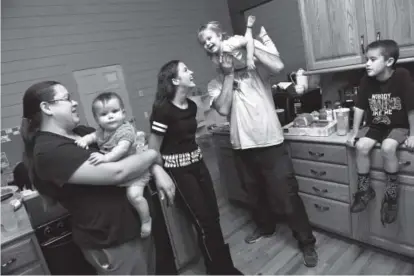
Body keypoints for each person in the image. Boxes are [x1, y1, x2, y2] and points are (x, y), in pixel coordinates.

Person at [20, 81, 176, 275]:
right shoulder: (49, 151)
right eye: (67, 98)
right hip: (111, 240)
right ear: (47, 108)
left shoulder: (82, 133)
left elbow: (132, 150)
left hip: (133, 228)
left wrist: (157, 170)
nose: (74, 102)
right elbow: (118, 172)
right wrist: (153, 155)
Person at [198, 21, 318, 267]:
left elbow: (279, 65)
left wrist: (246, 43)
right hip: (242, 146)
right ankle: (266, 227)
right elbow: (222, 108)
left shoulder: (255, 70)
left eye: (211, 39)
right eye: (204, 44)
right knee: (254, 195)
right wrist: (229, 74)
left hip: (271, 142)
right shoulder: (215, 83)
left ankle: (306, 242)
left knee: (287, 195)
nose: (209, 45)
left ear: (222, 38)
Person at [148, 60, 242, 275]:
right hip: (179, 172)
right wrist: (159, 172)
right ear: (174, 80)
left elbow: (188, 136)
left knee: (214, 217)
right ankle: (219, 271)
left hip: (198, 165)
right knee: (203, 222)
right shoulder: (163, 110)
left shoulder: (191, 106)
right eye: (185, 70)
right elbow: (153, 149)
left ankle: (222, 267)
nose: (191, 72)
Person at [347, 40, 414, 225]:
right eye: (366, 59)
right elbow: (359, 108)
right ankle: (365, 190)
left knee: (388, 147)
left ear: (389, 61)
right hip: (377, 125)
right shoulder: (366, 80)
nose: (367, 63)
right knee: (360, 146)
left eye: (372, 59)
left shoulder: (402, 76)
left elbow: (411, 108)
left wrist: (413, 135)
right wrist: (354, 133)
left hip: (399, 125)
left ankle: (391, 195)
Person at [75, 92, 152, 238]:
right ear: (97, 119)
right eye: (104, 114)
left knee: (134, 196)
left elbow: (121, 149)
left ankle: (146, 220)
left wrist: (106, 158)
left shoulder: (125, 130)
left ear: (123, 113)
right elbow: (92, 136)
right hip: (120, 172)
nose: (110, 116)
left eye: (115, 111)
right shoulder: (101, 131)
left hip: (135, 172)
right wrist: (84, 140)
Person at [204, 18, 280, 72]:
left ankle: (264, 37)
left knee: (275, 55)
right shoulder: (214, 58)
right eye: (203, 43)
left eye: (209, 38)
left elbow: (248, 41)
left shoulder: (230, 43)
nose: (207, 43)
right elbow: (222, 70)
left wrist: (249, 58)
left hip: (251, 48)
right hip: (244, 63)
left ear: (219, 36)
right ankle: (259, 38)